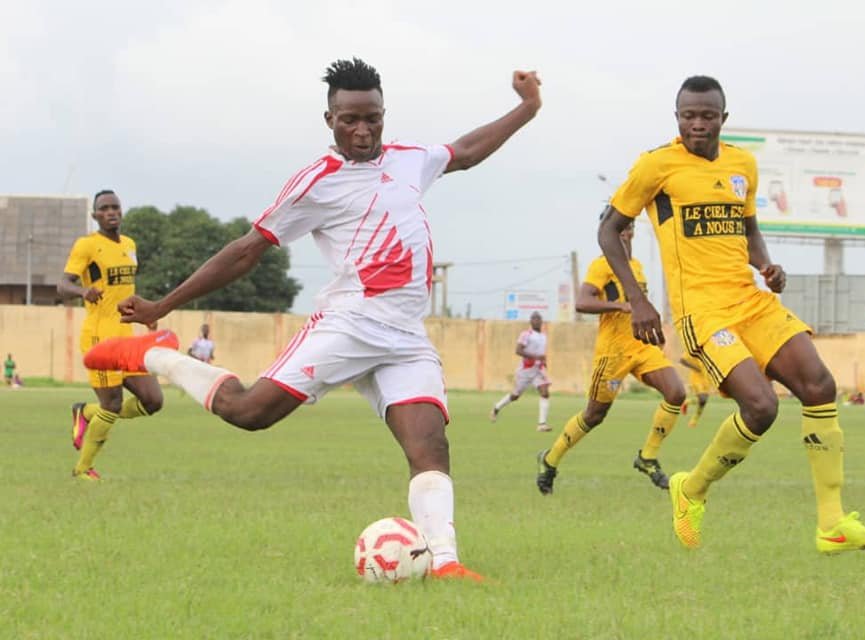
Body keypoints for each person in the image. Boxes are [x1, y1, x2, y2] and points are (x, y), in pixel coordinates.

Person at [83, 58, 542, 581]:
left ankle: (445, 563)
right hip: (348, 324)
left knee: (429, 442)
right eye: (349, 119)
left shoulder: (410, 160)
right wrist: (164, 305)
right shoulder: (315, 183)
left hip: (405, 337)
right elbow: (246, 251)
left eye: (372, 117)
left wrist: (526, 108)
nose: (362, 129)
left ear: (384, 114)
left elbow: (465, 152)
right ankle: (158, 355)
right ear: (330, 121)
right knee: (249, 412)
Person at [596, 75, 865, 554]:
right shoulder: (656, 166)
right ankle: (690, 489)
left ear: (723, 118)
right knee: (761, 406)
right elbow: (609, 230)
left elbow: (748, 229)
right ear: (677, 118)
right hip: (702, 311)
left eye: (707, 116)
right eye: (688, 115)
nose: (697, 124)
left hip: (751, 300)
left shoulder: (743, 164)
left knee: (820, 385)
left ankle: (832, 524)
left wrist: (766, 265)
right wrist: (638, 300)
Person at [535, 219, 686, 494]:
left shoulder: (637, 267)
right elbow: (583, 301)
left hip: (642, 348)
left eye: (628, 227)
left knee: (676, 392)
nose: (625, 232)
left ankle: (648, 457)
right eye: (619, 227)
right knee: (594, 415)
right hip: (613, 354)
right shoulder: (601, 266)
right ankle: (549, 459)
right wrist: (621, 306)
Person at [57, 190, 164, 481]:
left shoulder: (130, 244)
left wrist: (145, 314)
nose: (111, 212)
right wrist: (83, 291)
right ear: (95, 216)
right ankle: (82, 469)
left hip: (125, 337)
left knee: (153, 400)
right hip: (99, 337)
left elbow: (124, 290)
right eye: (104, 208)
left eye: (115, 206)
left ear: (121, 211)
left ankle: (86, 412)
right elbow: (62, 286)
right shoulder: (87, 245)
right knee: (113, 403)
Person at [489, 312, 552, 432]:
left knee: (545, 392)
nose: (537, 321)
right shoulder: (526, 335)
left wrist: (542, 361)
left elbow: (540, 353)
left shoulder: (544, 336)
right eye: (534, 318)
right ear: (531, 321)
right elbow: (518, 350)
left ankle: (541, 424)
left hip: (538, 370)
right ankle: (497, 408)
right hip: (525, 370)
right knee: (515, 396)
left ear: (541, 321)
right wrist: (536, 357)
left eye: (539, 318)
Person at [679, 355, 712, 427]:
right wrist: (696, 368)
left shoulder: (709, 348)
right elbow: (682, 360)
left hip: (706, 378)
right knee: (702, 399)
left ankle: (687, 402)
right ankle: (694, 420)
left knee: (704, 401)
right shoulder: (693, 350)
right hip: (696, 379)